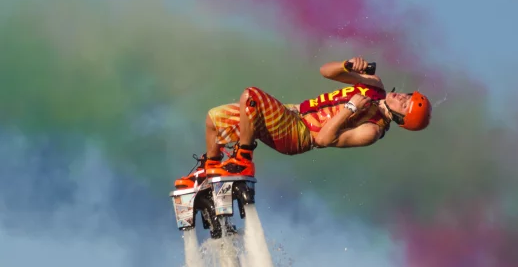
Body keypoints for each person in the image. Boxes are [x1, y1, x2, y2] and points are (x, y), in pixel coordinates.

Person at [174, 57, 432, 189]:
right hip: (290, 114)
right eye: (407, 95)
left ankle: (242, 161)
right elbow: (325, 71)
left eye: (405, 104)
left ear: (402, 118)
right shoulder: (374, 86)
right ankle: (208, 170)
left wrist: (350, 108)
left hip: (299, 135)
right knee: (213, 119)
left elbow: (323, 140)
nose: (401, 97)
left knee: (251, 96)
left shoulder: (372, 130)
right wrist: (348, 64)